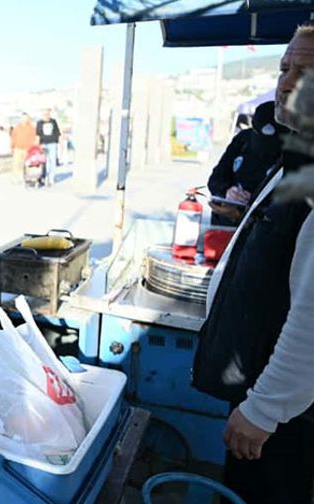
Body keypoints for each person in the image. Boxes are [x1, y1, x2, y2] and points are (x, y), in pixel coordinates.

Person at [192, 25, 314, 504]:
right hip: (261, 394)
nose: (286, 82)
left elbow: (311, 316)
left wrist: (265, 408)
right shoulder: (299, 158)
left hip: (284, 418)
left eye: (305, 72)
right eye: (285, 68)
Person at [207, 101, 287, 226]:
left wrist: (242, 215)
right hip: (224, 227)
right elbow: (216, 178)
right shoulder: (243, 139)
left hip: (260, 232)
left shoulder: (291, 153)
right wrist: (228, 191)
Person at [36, 108, 62, 186]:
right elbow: (38, 134)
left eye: (48, 114)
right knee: (44, 161)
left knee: (52, 160)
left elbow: (57, 132)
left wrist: (61, 143)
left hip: (52, 143)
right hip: (43, 143)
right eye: (45, 114)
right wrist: (37, 145)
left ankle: (51, 178)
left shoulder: (53, 122)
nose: (46, 115)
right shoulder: (39, 123)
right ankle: (45, 176)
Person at [10, 112, 37, 183]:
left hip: (28, 149)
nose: (24, 119)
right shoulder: (17, 127)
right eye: (23, 118)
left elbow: (35, 138)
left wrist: (34, 148)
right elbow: (13, 137)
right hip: (18, 148)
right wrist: (12, 147)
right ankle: (16, 178)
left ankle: (27, 178)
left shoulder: (32, 128)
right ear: (21, 119)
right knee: (17, 164)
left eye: (26, 118)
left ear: (28, 119)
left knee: (28, 164)